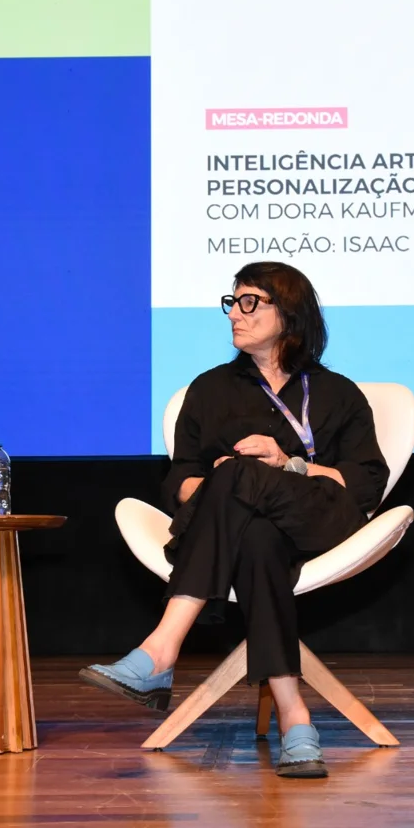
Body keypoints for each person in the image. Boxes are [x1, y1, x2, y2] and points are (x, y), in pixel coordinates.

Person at [80, 261, 389, 778]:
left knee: (240, 474)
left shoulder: (339, 394)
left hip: (321, 526)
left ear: (288, 313)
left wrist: (288, 465)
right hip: (242, 538)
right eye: (233, 302)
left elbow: (364, 483)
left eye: (250, 302)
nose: (235, 314)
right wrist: (225, 486)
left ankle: (161, 649)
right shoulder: (209, 390)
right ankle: (295, 720)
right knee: (258, 539)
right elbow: (179, 480)